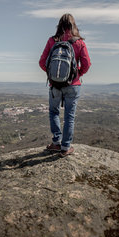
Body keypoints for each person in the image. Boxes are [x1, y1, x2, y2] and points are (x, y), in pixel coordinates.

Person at [39, 13, 91, 157]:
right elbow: (87, 65)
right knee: (70, 116)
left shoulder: (52, 41)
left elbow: (42, 62)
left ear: (59, 25)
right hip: (73, 85)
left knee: (54, 112)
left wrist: (53, 75)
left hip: (55, 84)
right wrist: (76, 74)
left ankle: (56, 143)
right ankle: (65, 147)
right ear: (74, 25)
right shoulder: (79, 42)